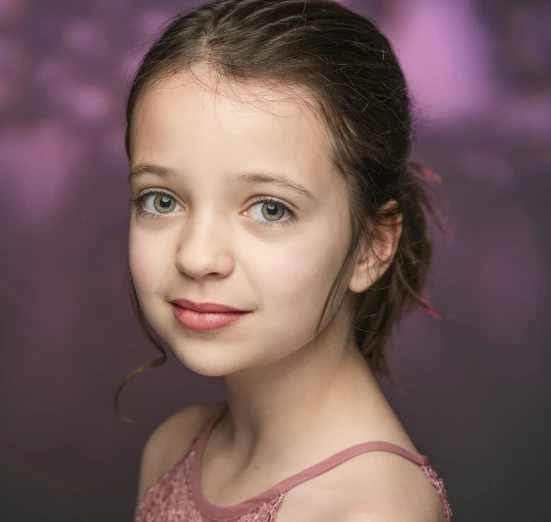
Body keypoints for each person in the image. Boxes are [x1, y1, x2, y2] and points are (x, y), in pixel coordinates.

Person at [115, 0, 453, 520]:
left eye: (271, 208)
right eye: (162, 200)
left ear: (372, 246)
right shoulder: (172, 448)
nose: (197, 256)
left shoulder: (370, 513)